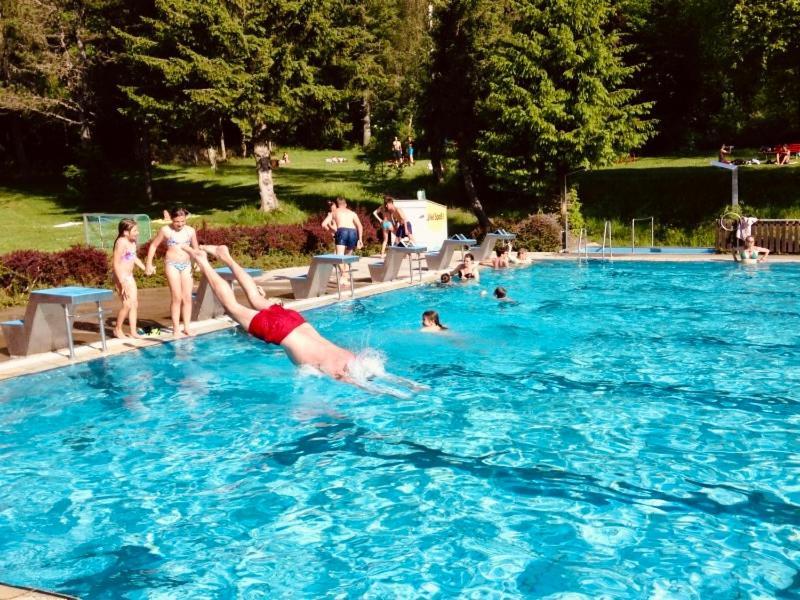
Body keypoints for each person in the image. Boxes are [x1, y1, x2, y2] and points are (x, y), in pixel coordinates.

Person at [186, 245, 422, 396]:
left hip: (297, 321)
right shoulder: (338, 370)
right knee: (232, 306)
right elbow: (369, 385)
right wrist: (397, 392)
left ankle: (226, 256)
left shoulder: (350, 356)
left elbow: (378, 375)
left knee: (256, 298)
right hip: (282, 331)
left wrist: (408, 386)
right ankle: (204, 261)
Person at [145, 207, 199, 338]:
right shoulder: (166, 230)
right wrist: (148, 263)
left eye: (182, 221)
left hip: (186, 265)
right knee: (177, 297)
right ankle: (176, 329)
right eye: (177, 221)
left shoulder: (190, 231)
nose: (180, 224)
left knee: (187, 298)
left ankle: (186, 327)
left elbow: (195, 248)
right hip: (172, 265)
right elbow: (153, 246)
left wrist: (197, 262)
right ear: (172, 220)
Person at [112, 219, 147, 338]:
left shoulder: (132, 241)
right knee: (127, 304)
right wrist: (121, 282)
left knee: (134, 304)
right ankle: (117, 329)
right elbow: (115, 264)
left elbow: (134, 257)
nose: (138, 232)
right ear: (125, 232)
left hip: (129, 276)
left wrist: (145, 268)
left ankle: (133, 331)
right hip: (120, 277)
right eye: (135, 230)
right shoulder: (121, 242)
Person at [332, 197, 364, 282]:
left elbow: (328, 224)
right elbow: (360, 226)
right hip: (353, 232)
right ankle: (344, 277)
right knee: (347, 257)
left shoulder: (335, 212)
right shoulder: (352, 213)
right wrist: (360, 239)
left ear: (337, 205)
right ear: (345, 205)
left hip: (342, 231)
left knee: (338, 257)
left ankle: (344, 274)